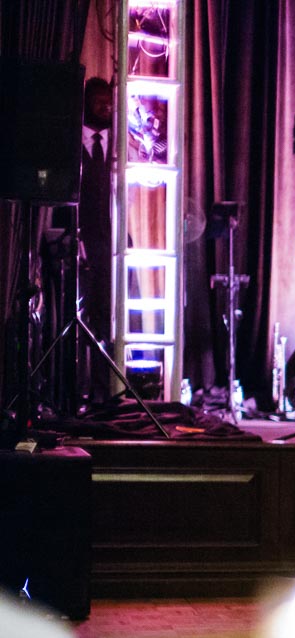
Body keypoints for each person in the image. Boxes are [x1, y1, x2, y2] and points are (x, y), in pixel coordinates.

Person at [78, 77, 115, 404]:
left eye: (109, 101)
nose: (106, 107)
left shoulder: (119, 146)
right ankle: (74, 392)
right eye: (100, 101)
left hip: (112, 247)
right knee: (76, 321)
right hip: (77, 246)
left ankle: (105, 395)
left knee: (108, 321)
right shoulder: (70, 143)